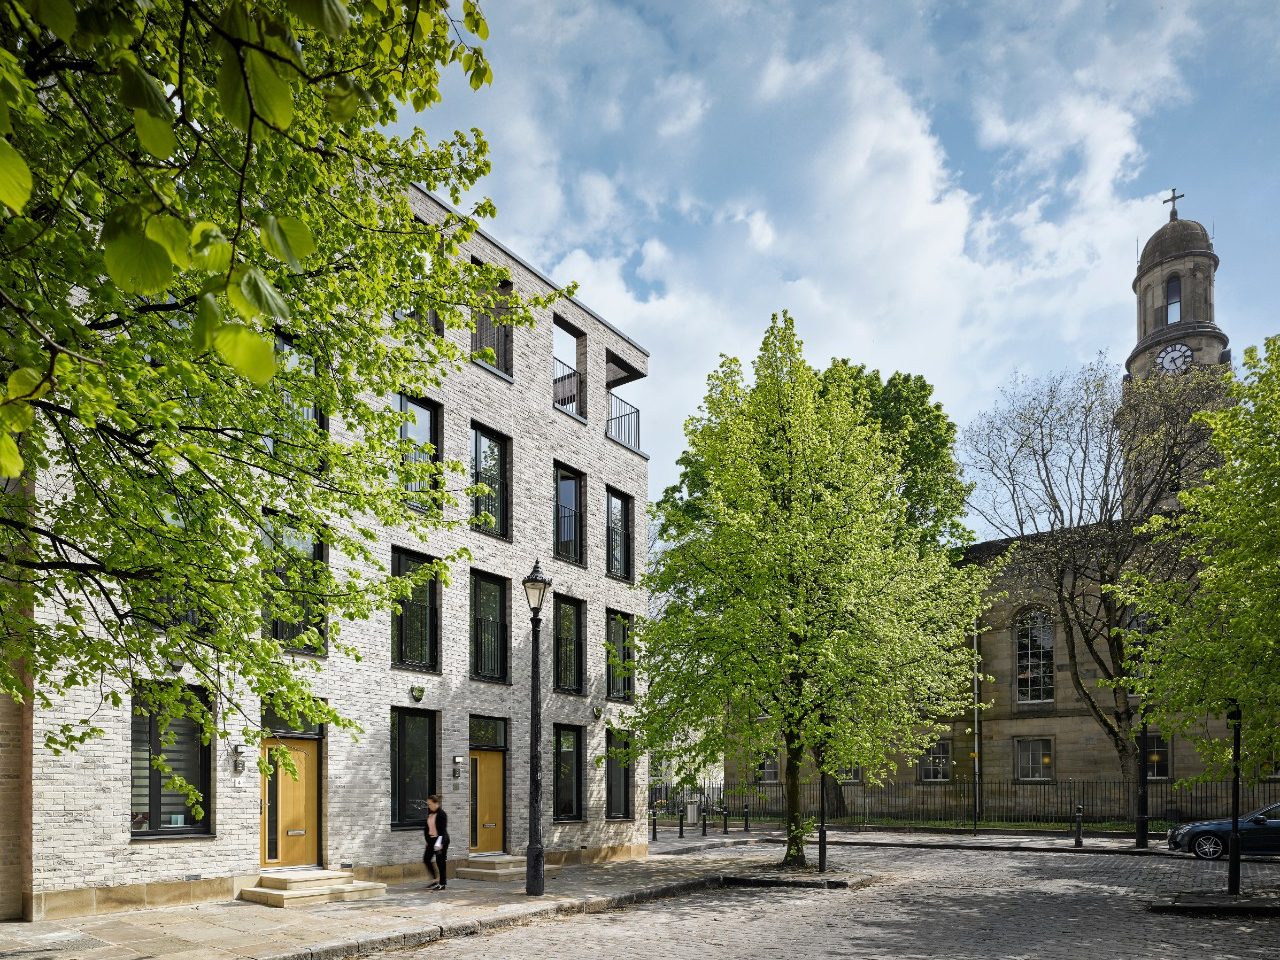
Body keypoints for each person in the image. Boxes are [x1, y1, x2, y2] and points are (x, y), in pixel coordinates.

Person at [424, 794, 449, 890]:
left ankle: (442, 884)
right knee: (426, 859)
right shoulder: (430, 813)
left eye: (429, 804)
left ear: (436, 803)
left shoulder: (442, 814)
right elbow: (427, 828)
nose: (428, 806)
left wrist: (440, 843)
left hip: (441, 840)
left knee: (441, 862)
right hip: (431, 840)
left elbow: (442, 831)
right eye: (428, 804)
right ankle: (435, 880)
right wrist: (428, 841)